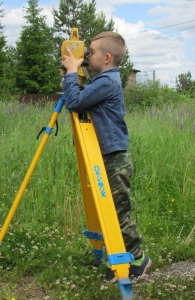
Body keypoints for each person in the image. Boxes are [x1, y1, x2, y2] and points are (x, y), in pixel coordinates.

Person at [61, 31, 151, 283]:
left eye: (91, 52)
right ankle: (119, 255)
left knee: (118, 211)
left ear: (107, 57)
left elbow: (75, 102)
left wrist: (70, 73)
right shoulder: (104, 80)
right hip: (109, 154)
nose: (87, 56)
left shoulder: (106, 82)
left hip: (114, 157)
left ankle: (137, 257)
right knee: (111, 209)